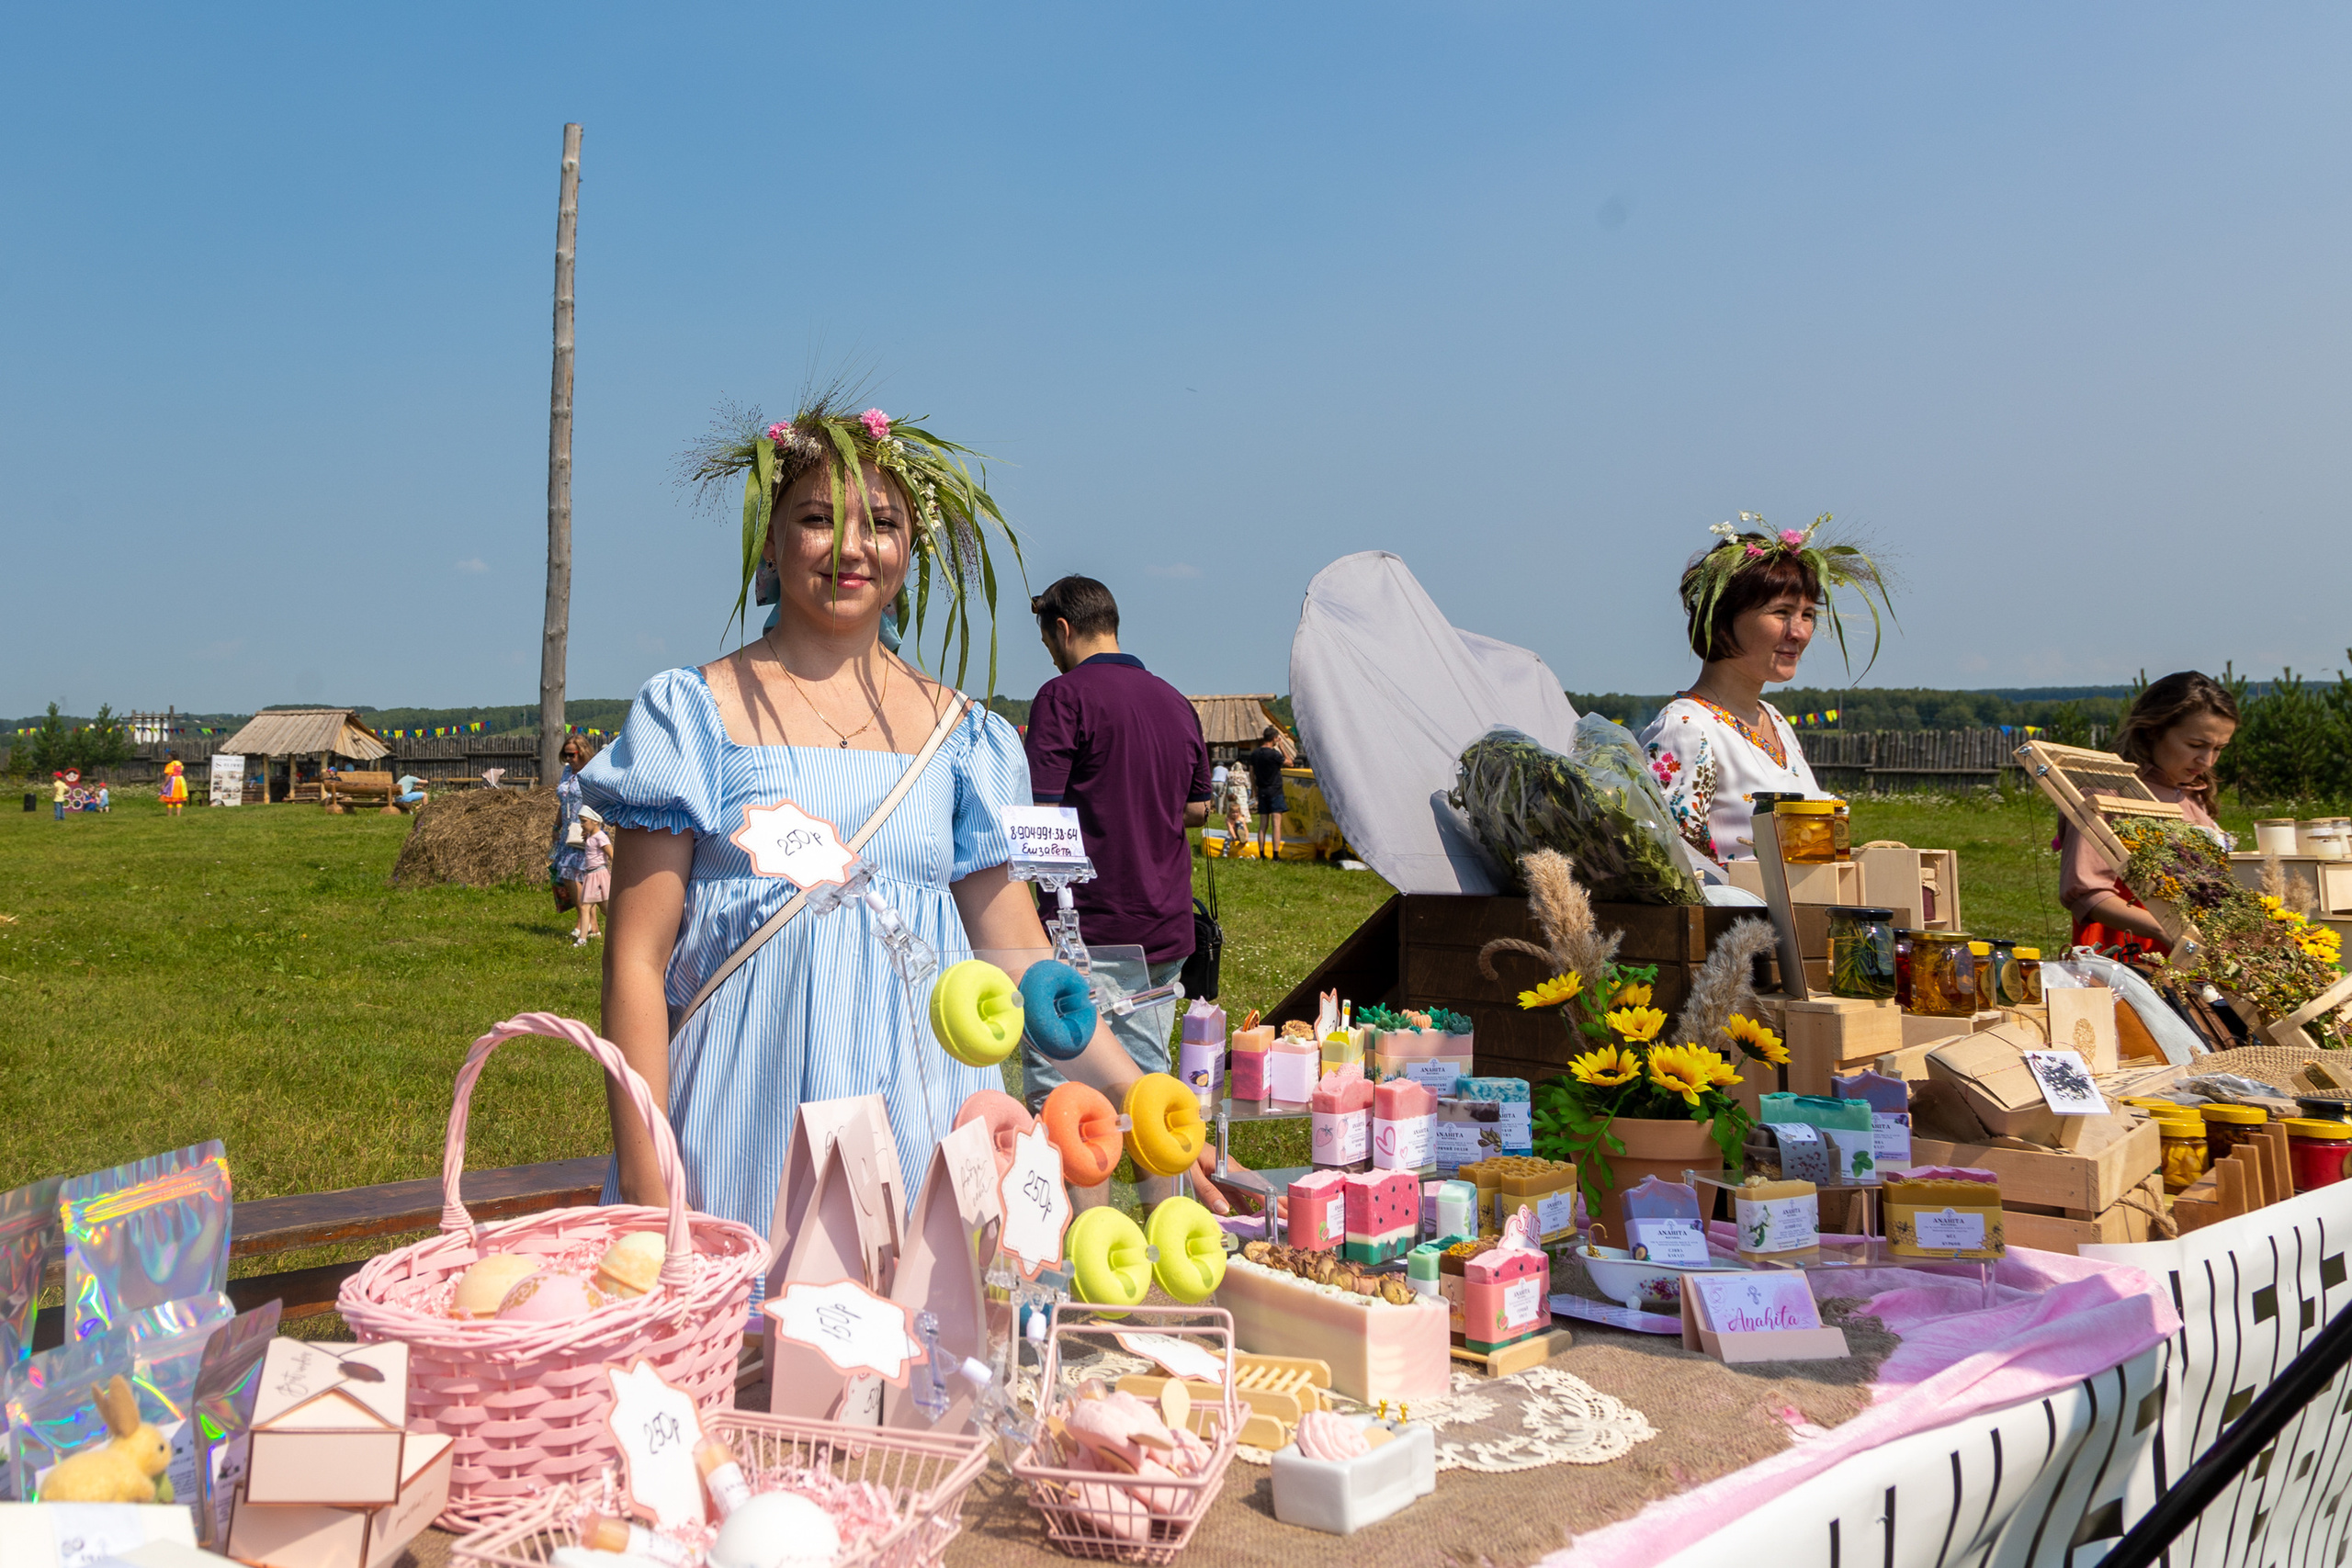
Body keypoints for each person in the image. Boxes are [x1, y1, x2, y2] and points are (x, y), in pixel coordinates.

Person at [582, 397, 1251, 1253]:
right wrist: (647, 1186)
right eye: (817, 518)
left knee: (913, 1357)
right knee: (737, 1368)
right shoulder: (695, 714)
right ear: (769, 540)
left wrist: (1138, 1094)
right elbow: (634, 959)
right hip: (738, 1134)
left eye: (883, 523)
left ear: (912, 549)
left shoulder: (963, 736)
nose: (852, 546)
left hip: (918, 1122)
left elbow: (1019, 958)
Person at [1019, 577, 1214, 1175]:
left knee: (1069, 1109)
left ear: (1063, 629)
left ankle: (1080, 1255)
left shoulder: (1063, 697)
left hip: (1089, 931)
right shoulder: (1174, 701)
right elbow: (1198, 807)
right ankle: (1166, 1248)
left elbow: (1039, 810)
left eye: (1048, 639)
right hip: (1163, 930)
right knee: (1150, 1099)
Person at [1640, 513, 1894, 876]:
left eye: (1807, 614)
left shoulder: (1773, 719)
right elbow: (1670, 870)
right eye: (1782, 613)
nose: (1800, 633)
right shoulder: (1686, 727)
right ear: (1723, 618)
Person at [2060, 671, 2240, 960]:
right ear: (2153, 730)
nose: (2206, 761)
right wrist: (2166, 929)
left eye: (2218, 749)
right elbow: (2086, 892)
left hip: (2195, 960)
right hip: (2130, 957)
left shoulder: (2192, 795)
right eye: (2196, 745)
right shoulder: (2107, 794)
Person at [549, 735, 591, 918]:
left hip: (584, 831)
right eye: (565, 755)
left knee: (577, 877)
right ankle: (590, 925)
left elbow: (601, 803)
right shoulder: (567, 772)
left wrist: (593, 829)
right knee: (571, 878)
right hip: (567, 832)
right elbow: (563, 801)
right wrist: (555, 827)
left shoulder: (592, 773)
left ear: (582, 753)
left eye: (571, 755)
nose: (568, 759)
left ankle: (584, 922)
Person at [1241, 727, 1291, 860]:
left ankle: (1262, 853)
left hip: (1262, 790)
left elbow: (1251, 772)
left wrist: (1254, 789)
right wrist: (1282, 747)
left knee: (1263, 824)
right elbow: (1290, 763)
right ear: (1274, 738)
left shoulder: (1255, 754)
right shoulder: (1274, 754)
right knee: (1276, 825)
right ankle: (1275, 855)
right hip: (1275, 790)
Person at [574, 807, 611, 946]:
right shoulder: (591, 837)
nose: (581, 824)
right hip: (591, 875)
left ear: (595, 821)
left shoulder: (601, 837)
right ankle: (583, 939)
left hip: (599, 876)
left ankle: (582, 940)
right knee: (602, 909)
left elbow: (612, 854)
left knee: (589, 907)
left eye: (584, 821)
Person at [158, 753, 187, 818]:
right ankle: (178, 814)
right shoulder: (180, 764)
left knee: (170, 798)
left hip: (173, 781)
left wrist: (164, 785)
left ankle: (169, 815)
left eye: (169, 755)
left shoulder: (170, 765)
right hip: (181, 780)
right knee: (178, 799)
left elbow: (169, 775)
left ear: (172, 756)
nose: (168, 756)